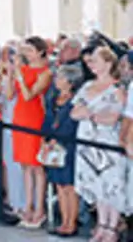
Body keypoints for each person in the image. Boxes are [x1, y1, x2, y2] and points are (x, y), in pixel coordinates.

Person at [71, 47, 126, 242]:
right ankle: (102, 224)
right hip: (87, 142)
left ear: (108, 63)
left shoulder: (118, 89)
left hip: (107, 143)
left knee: (112, 184)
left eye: (95, 60)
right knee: (97, 185)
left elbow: (113, 118)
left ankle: (112, 227)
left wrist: (91, 114)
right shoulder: (86, 87)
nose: (91, 64)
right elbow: (74, 113)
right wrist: (94, 115)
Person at [10, 36, 52, 228]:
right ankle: (27, 205)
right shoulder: (23, 69)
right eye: (24, 50)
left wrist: (19, 74)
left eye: (30, 50)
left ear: (41, 52)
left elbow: (29, 95)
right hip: (19, 116)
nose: (26, 54)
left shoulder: (45, 73)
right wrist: (10, 75)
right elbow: (11, 94)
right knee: (25, 165)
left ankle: (39, 209)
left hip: (35, 118)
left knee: (36, 165)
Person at [40, 64, 82, 237]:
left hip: (68, 146)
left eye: (61, 78)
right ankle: (63, 221)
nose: (56, 80)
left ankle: (71, 222)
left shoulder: (75, 101)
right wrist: (45, 138)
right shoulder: (54, 99)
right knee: (59, 185)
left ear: (70, 82)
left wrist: (57, 138)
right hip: (53, 145)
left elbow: (71, 125)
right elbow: (48, 119)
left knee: (69, 186)